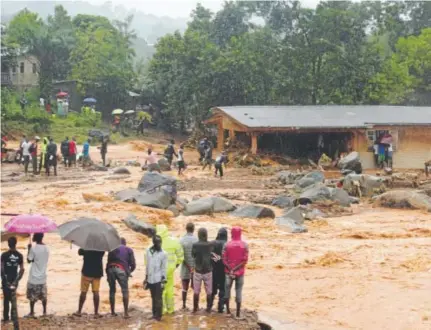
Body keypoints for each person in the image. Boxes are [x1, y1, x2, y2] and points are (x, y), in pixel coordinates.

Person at [153, 224, 183, 314]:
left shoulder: (153, 242)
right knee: (170, 289)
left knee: (160, 291)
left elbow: (147, 257)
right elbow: (181, 256)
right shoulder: (174, 241)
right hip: (170, 270)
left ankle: (162, 310)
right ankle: (170, 309)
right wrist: (176, 265)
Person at [222, 227, 249, 319]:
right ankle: (237, 313)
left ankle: (228, 311)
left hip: (228, 272)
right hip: (240, 272)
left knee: (227, 291)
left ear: (232, 233)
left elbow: (223, 259)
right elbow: (245, 261)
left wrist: (231, 269)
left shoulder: (226, 245)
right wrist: (236, 269)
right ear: (240, 234)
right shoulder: (245, 245)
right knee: (238, 291)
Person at [106, 238, 136, 318]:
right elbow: (133, 264)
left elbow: (108, 261)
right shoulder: (128, 249)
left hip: (110, 269)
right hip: (121, 270)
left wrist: (107, 274)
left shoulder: (111, 249)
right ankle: (126, 313)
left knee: (112, 291)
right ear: (125, 243)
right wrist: (129, 272)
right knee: (125, 291)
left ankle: (112, 312)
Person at [74, 249, 105, 318]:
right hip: (97, 273)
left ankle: (79, 311)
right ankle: (96, 313)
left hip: (86, 272)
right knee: (96, 292)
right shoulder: (101, 249)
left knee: (83, 292)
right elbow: (102, 254)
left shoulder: (86, 247)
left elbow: (79, 252)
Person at [1, 237, 25, 323]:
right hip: (15, 279)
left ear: (8, 244)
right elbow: (22, 270)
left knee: (6, 299)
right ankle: (13, 317)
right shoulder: (19, 255)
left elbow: (2, 269)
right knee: (13, 298)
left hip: (6, 279)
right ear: (16, 243)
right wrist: (16, 281)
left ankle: (6, 318)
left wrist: (5, 281)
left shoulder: (4, 255)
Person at [144, 235, 167, 321]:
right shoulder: (148, 251)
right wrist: (146, 278)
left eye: (160, 242)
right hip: (150, 279)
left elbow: (164, 268)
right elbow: (147, 265)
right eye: (158, 243)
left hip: (158, 279)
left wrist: (163, 281)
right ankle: (154, 314)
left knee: (158, 298)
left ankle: (158, 316)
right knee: (153, 297)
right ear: (154, 243)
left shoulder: (164, 254)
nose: (159, 244)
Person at [26, 233, 49, 318]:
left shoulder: (34, 248)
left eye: (34, 236)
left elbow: (29, 260)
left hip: (33, 277)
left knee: (32, 297)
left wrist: (29, 249)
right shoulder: (47, 248)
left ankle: (32, 312)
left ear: (36, 237)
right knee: (43, 296)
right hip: (43, 276)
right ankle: (44, 312)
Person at [192, 228, 214, 313]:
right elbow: (212, 256)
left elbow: (193, 255)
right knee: (209, 291)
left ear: (198, 235)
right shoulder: (210, 244)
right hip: (208, 271)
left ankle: (195, 308)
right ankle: (208, 309)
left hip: (198, 271)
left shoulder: (195, 245)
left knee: (196, 291)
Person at [179, 222, 198, 310]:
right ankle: (195, 306)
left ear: (186, 229)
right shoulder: (197, 240)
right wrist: (193, 266)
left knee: (184, 286)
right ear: (193, 229)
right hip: (195, 267)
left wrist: (188, 266)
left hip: (185, 267)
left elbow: (180, 256)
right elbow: (198, 255)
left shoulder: (181, 240)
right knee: (195, 287)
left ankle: (183, 305)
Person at [211, 228, 228, 313]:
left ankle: (209, 306)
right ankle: (220, 307)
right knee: (222, 289)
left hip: (213, 270)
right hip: (223, 271)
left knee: (212, 289)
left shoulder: (211, 243)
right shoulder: (228, 245)